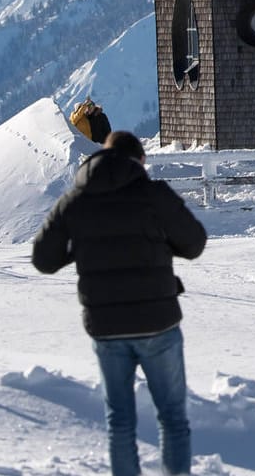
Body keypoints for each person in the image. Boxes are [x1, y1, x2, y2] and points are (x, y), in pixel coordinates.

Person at [33, 130, 208, 476]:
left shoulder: (75, 201)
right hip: (159, 322)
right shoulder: (153, 195)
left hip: (107, 327)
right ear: (139, 160)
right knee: (172, 418)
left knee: (120, 423)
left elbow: (43, 259)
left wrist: (82, 247)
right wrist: (160, 244)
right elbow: (194, 244)